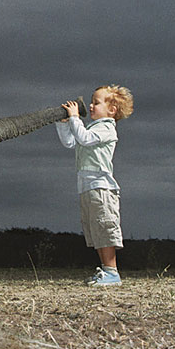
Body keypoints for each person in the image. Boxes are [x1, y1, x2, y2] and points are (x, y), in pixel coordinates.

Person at [59, 85, 134, 286]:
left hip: (102, 188)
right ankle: (106, 270)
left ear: (112, 110)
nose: (91, 106)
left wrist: (75, 118)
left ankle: (112, 272)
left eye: (96, 102)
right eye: (91, 102)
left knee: (105, 227)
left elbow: (83, 138)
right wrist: (64, 123)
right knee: (96, 231)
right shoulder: (91, 127)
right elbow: (70, 142)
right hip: (87, 187)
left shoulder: (107, 128)